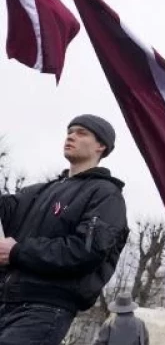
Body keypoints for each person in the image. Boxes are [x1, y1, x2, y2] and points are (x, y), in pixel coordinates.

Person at [0, 115, 129, 345]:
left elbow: (86, 250)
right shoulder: (37, 192)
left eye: (81, 133)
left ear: (101, 146)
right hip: (6, 299)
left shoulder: (105, 194)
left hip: (45, 309)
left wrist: (18, 251)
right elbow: (5, 210)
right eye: (69, 131)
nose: (71, 136)